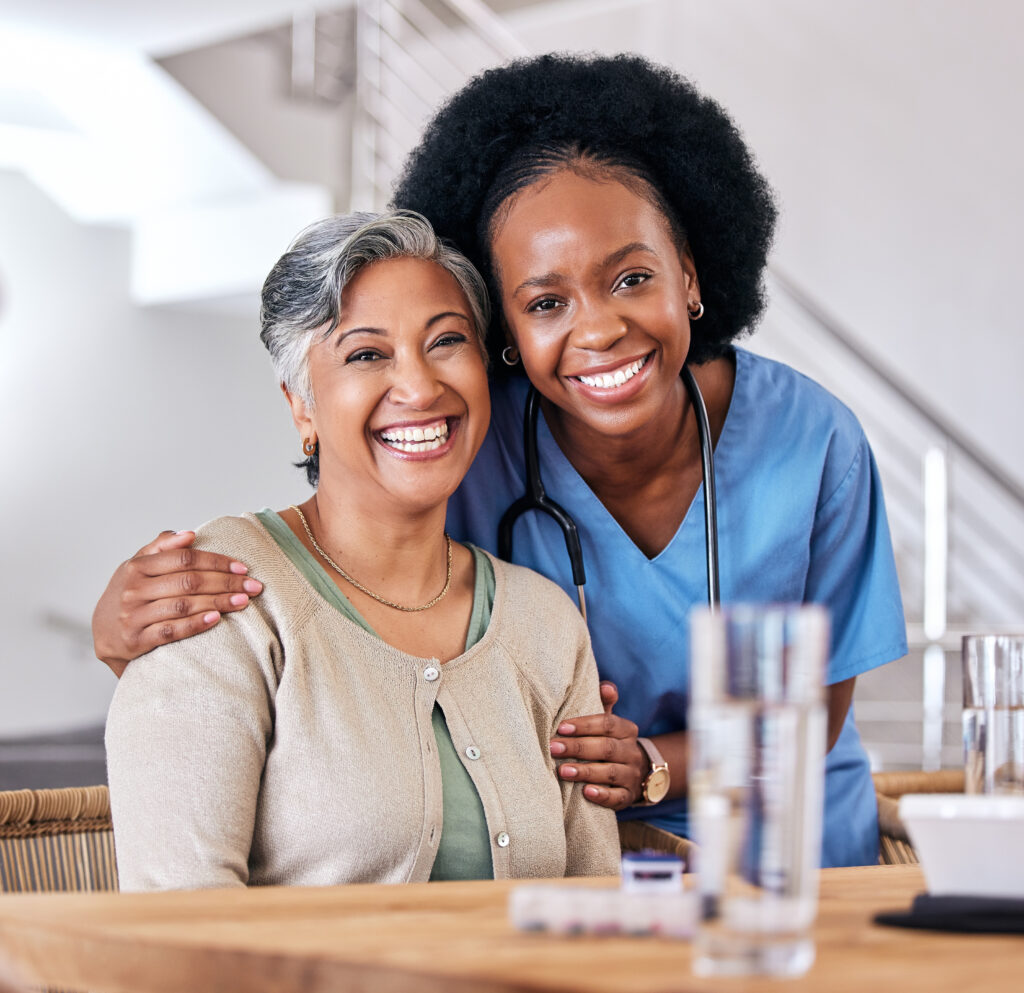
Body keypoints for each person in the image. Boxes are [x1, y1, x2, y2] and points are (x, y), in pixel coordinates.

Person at [93, 54, 906, 868]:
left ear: (689, 274)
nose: (599, 329)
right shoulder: (466, 442)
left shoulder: (814, 441)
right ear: (505, 329)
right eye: (546, 301)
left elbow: (816, 711)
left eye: (632, 277)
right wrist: (133, 633)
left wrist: (651, 763)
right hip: (589, 863)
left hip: (793, 854)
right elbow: (343, 567)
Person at [104, 210, 620, 891]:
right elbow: (179, 922)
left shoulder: (545, 622)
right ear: (302, 407)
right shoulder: (216, 590)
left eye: (447, 341)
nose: (420, 387)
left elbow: (594, 906)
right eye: (367, 354)